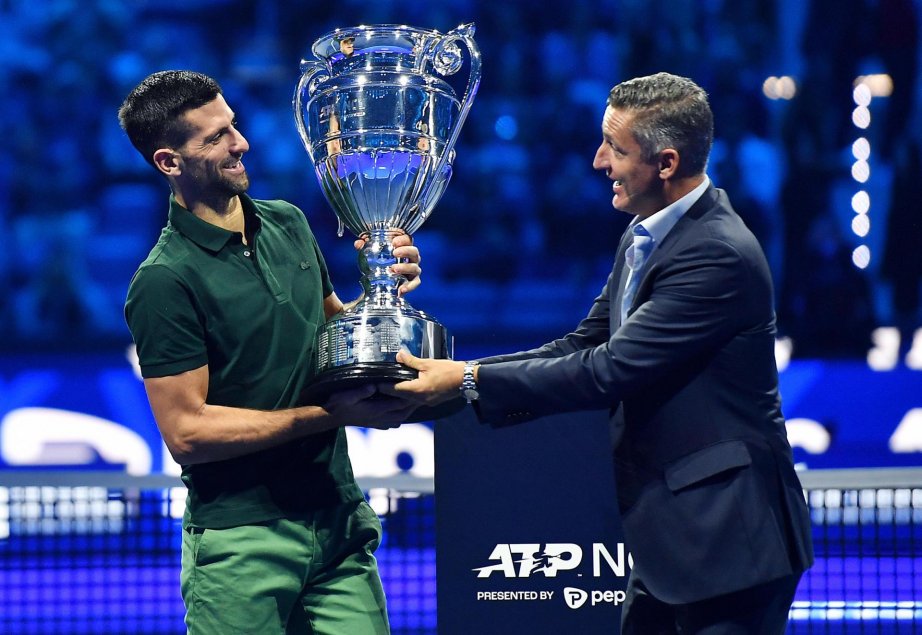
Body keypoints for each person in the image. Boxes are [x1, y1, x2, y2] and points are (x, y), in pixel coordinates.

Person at [388, 72, 814, 634]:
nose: (597, 162)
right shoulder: (646, 234)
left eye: (615, 148)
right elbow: (581, 345)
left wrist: (465, 381)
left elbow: (609, 370)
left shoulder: (715, 253)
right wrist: (466, 374)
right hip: (672, 543)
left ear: (665, 163)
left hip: (729, 543)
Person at [118, 70, 420, 634]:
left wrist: (383, 293)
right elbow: (188, 433)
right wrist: (332, 416)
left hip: (337, 521)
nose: (241, 144)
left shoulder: (288, 222)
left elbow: (333, 333)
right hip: (241, 540)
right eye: (215, 138)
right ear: (168, 161)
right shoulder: (163, 281)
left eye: (233, 126)